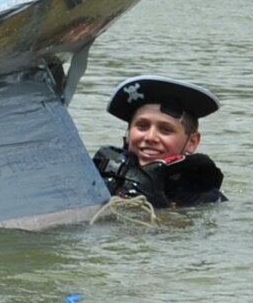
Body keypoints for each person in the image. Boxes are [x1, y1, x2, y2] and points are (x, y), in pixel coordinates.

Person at [91, 74, 227, 208]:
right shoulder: (93, 179)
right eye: (142, 126)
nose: (150, 137)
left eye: (165, 130)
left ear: (192, 142)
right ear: (128, 133)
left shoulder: (208, 200)